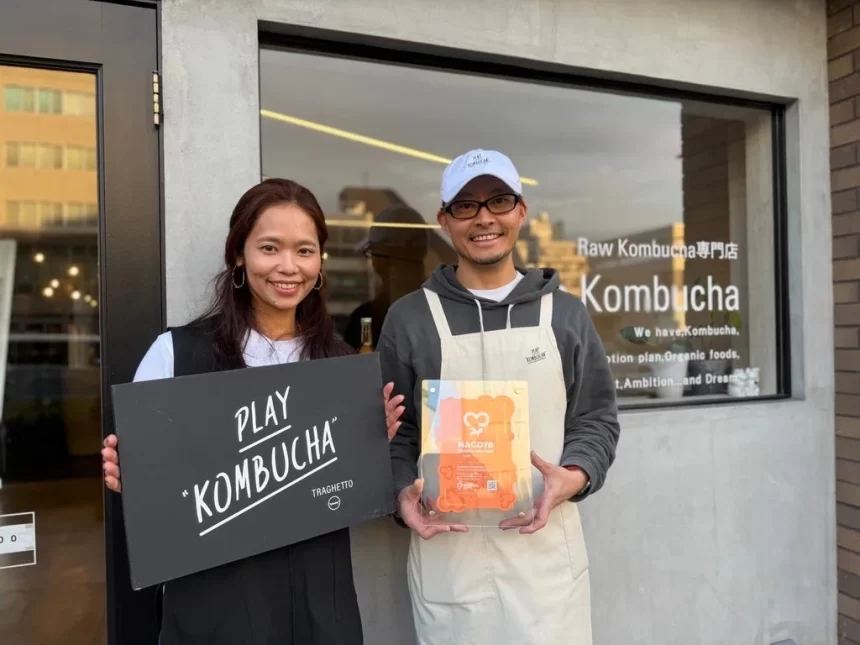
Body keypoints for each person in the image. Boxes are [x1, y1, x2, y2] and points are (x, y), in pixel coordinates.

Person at [101, 178, 405, 645]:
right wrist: (136, 477)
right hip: (213, 601)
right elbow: (154, 488)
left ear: (320, 261)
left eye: (305, 251)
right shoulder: (176, 354)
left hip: (318, 601)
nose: (289, 266)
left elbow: (343, 489)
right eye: (269, 247)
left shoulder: (342, 365)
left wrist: (366, 445)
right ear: (239, 254)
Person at [378, 149, 621, 645]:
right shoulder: (410, 319)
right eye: (466, 205)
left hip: (545, 563)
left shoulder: (565, 314)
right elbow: (394, 433)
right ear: (445, 220)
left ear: (521, 211)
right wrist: (401, 493)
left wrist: (574, 475)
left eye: (499, 201)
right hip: (450, 559)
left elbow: (596, 418)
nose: (484, 217)